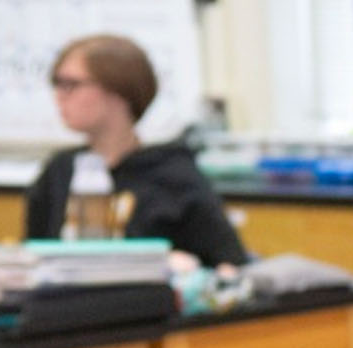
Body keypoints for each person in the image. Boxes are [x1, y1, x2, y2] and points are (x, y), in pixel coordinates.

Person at [25, 34, 248, 269]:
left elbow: (229, 265)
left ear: (117, 89)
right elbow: (33, 261)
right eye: (57, 84)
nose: (59, 96)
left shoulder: (174, 176)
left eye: (71, 84)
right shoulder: (59, 171)